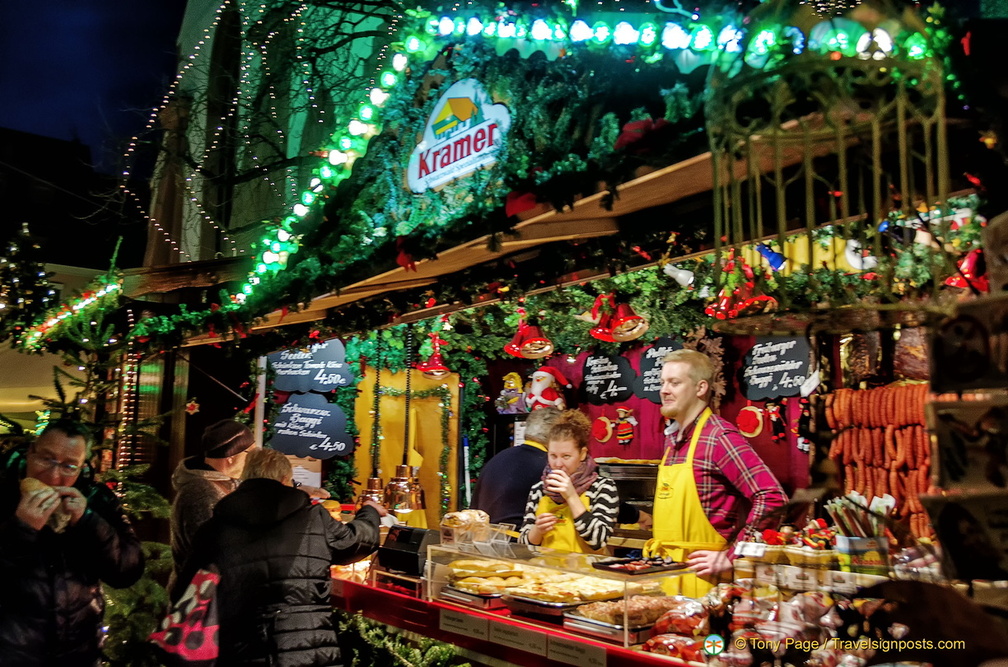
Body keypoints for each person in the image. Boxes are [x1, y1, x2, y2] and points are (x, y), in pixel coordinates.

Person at [173, 448, 385, 666]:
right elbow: (356, 541)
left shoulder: (215, 526)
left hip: (240, 649)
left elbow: (187, 587)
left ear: (246, 476)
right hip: (307, 648)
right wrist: (369, 511)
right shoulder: (313, 518)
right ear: (285, 479)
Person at [0, 419, 144, 666]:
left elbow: (127, 571)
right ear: (31, 450)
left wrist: (88, 521)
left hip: (79, 653)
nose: (54, 475)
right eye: (46, 458)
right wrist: (21, 529)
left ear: (82, 467)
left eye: (69, 466)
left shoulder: (97, 499)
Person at [646, 349, 787, 596]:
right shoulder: (673, 440)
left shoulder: (719, 437)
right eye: (662, 382)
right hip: (667, 575)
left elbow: (772, 497)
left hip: (704, 582)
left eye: (674, 383)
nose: (664, 390)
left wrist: (733, 555)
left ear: (700, 388)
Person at [168, 418, 260, 591]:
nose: (254, 459)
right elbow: (213, 551)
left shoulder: (228, 483)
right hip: (202, 600)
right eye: (250, 452)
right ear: (231, 457)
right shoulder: (200, 492)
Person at [519, 410, 620, 553]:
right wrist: (537, 530)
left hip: (586, 572)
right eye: (553, 455)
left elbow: (598, 540)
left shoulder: (602, 487)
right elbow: (523, 546)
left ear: (583, 454)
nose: (558, 463)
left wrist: (571, 496)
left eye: (566, 456)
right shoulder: (539, 489)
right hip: (546, 570)